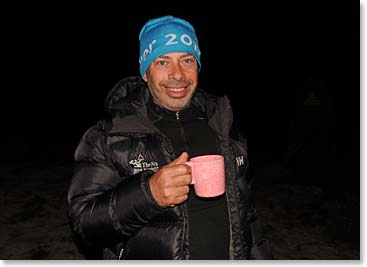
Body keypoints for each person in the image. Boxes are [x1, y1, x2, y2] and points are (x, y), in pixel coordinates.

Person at [67, 15, 272, 260]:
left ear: (197, 65)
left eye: (186, 60)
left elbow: (248, 216)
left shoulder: (224, 126)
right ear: (145, 72)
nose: (177, 75)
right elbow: (83, 224)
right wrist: (147, 194)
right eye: (162, 62)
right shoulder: (110, 135)